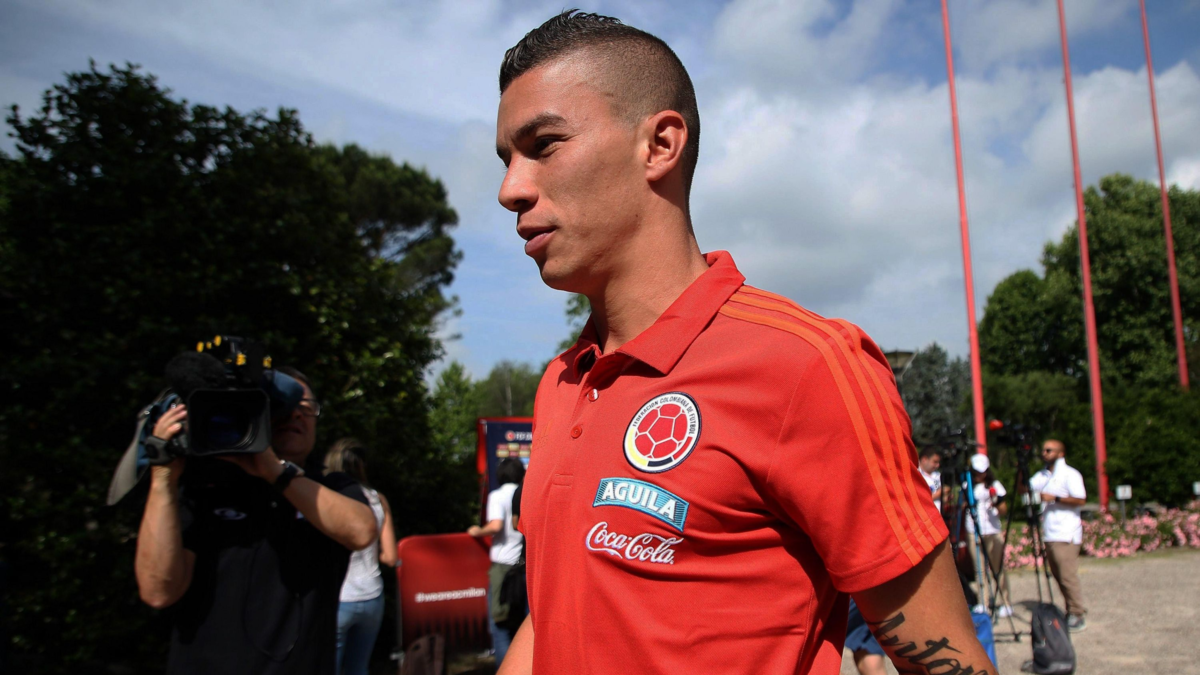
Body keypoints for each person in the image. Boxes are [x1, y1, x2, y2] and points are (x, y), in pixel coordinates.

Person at [494, 11, 994, 675]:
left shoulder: (807, 365)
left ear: (660, 144)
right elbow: (554, 611)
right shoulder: (563, 382)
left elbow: (947, 658)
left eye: (544, 145)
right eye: (506, 159)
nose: (511, 189)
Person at [135, 368, 379, 675]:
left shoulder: (331, 486)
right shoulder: (203, 488)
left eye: (307, 407)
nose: (296, 415)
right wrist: (163, 477)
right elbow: (159, 591)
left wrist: (276, 472)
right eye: (282, 407)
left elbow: (361, 532)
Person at [325, 438, 398, 675]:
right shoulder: (377, 499)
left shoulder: (325, 498)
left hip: (339, 596)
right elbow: (390, 557)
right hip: (372, 595)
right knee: (358, 668)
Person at [467, 458, 525, 667]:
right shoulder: (525, 493)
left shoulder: (498, 495)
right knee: (522, 626)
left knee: (499, 627)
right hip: (525, 565)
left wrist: (477, 531)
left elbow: (496, 525)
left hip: (503, 566)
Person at [1029, 439, 1088, 632]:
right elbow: (1026, 489)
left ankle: (1077, 613)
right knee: (1058, 575)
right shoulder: (1042, 475)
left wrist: (1055, 498)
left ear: (1061, 453)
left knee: (1067, 575)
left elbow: (1081, 499)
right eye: (1043, 450)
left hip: (1066, 532)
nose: (1044, 453)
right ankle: (1071, 609)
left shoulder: (1070, 474)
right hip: (1050, 532)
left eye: (1049, 450)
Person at [965, 454, 1012, 618]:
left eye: (983, 472)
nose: (980, 475)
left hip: (992, 530)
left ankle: (1006, 602)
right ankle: (983, 602)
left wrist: (996, 501)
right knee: (979, 570)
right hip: (973, 530)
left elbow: (1003, 510)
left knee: (997, 567)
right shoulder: (967, 485)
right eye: (977, 472)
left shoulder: (995, 485)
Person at [918, 447, 946, 514]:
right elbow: (919, 500)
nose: (938, 465)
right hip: (924, 515)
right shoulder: (916, 475)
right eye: (935, 462)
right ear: (924, 459)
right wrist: (940, 493)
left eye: (938, 462)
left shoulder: (937, 475)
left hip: (938, 515)